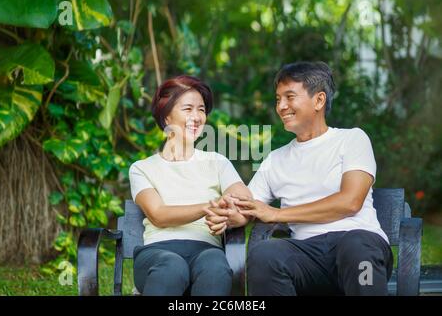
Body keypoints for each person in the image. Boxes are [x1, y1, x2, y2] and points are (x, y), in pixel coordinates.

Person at [205, 62, 393, 296]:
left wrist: (277, 214)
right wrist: (232, 215)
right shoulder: (276, 159)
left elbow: (350, 202)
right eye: (277, 99)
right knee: (264, 255)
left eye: (290, 97)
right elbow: (249, 205)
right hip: (307, 256)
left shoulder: (352, 139)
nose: (281, 106)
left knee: (357, 249)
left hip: (360, 251)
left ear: (319, 100)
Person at [129, 75, 251, 296]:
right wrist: (209, 207)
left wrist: (232, 214)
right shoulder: (141, 168)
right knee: (171, 268)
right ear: (166, 117)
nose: (196, 117)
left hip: (206, 249)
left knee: (215, 267)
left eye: (201, 110)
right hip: (158, 251)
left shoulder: (217, 162)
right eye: (188, 109)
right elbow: (159, 215)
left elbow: (244, 202)